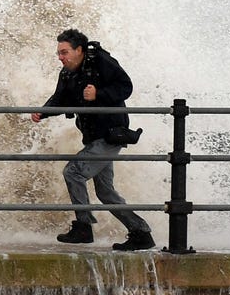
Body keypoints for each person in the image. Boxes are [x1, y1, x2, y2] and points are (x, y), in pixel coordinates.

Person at [30, 28, 155, 251]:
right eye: (58, 53)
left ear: (79, 50)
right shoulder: (67, 72)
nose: (61, 57)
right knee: (105, 192)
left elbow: (125, 86)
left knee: (73, 172)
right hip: (93, 138)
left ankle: (83, 228)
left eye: (64, 52)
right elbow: (60, 99)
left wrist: (98, 94)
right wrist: (43, 112)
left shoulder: (101, 61)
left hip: (110, 135)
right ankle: (141, 233)